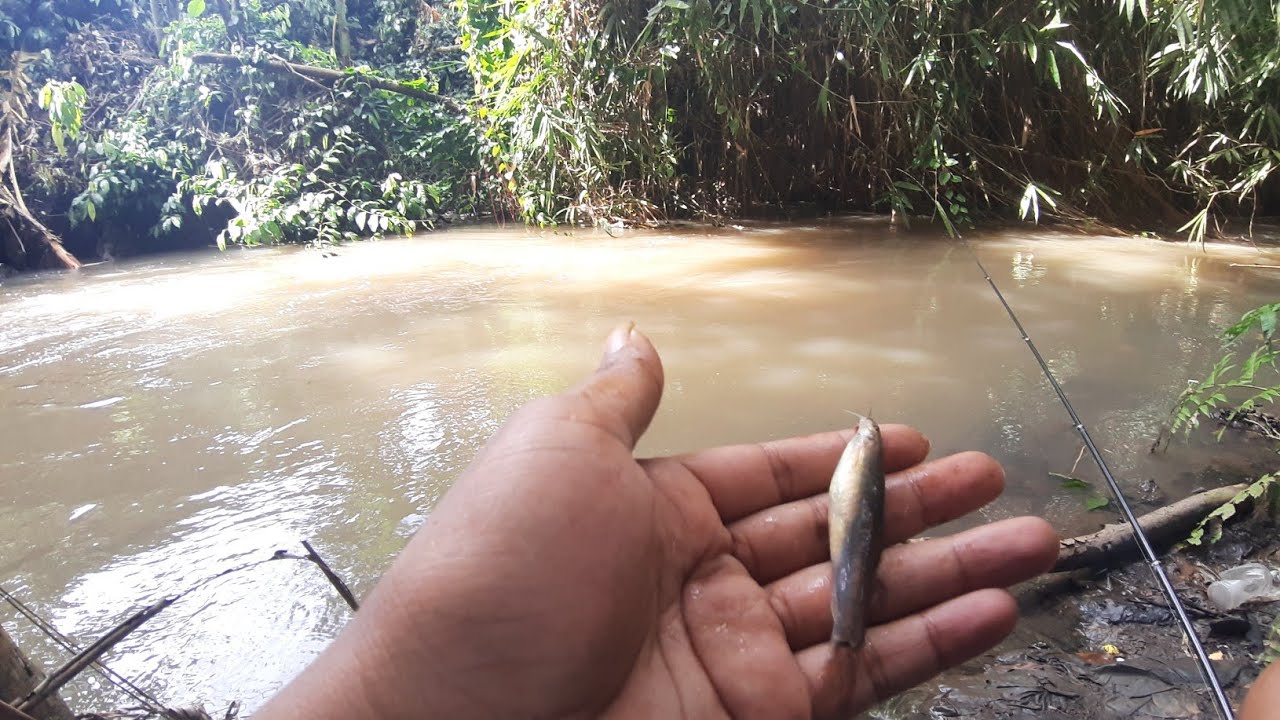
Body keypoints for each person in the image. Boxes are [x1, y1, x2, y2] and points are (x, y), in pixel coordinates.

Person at [251, 324, 1268, 718]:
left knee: (885, 574)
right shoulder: (853, 462)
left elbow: (853, 506)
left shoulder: (855, 461)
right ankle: (841, 640)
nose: (861, 442)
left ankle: (840, 636)